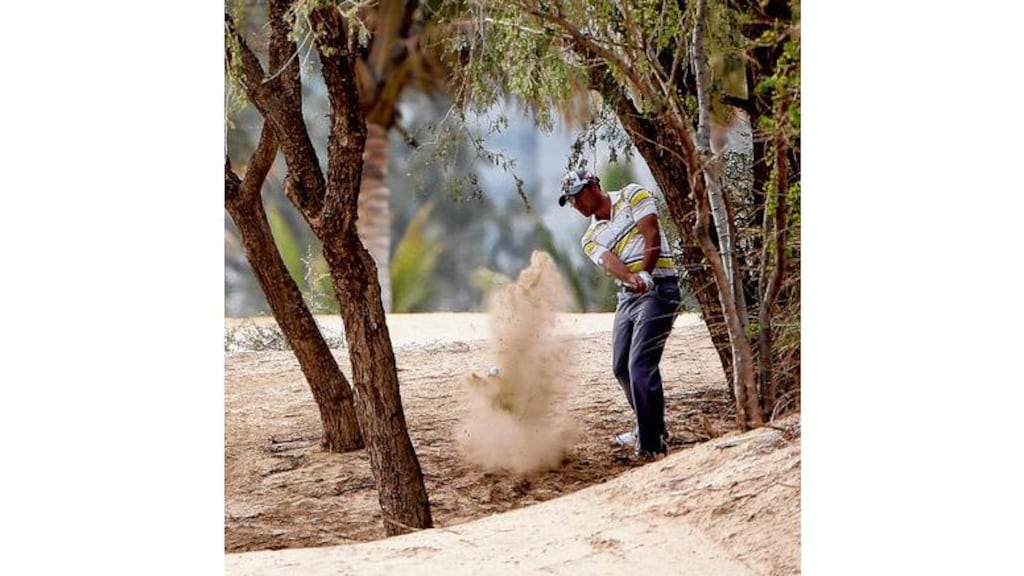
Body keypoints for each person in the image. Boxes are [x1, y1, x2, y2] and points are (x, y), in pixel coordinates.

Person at [557, 168, 681, 460]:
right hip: (629, 296)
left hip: (660, 289)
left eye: (577, 197)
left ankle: (651, 445)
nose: (575, 205)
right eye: (570, 201)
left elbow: (651, 231)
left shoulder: (632, 194)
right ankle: (650, 426)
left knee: (640, 365)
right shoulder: (590, 237)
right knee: (620, 366)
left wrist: (646, 275)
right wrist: (631, 278)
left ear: (593, 187)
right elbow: (609, 262)